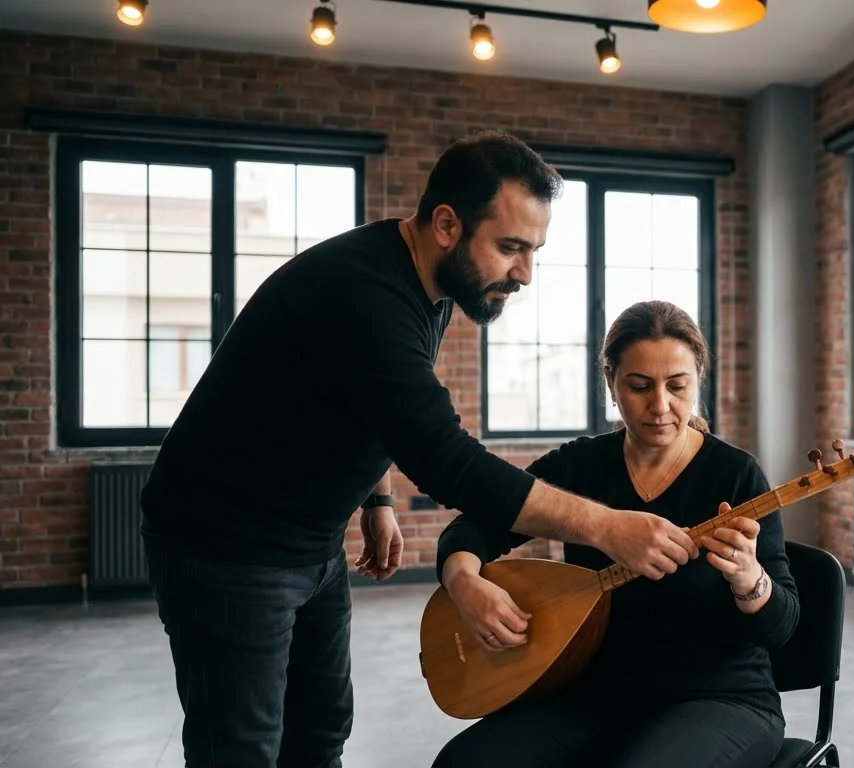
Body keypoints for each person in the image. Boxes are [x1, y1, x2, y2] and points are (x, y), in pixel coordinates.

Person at [137, 130, 701, 768]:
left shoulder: (428, 286)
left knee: (320, 734)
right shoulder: (364, 295)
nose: (524, 274)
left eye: (534, 250)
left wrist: (375, 496)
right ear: (445, 224)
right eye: (510, 248)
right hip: (228, 547)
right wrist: (607, 526)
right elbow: (445, 458)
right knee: (239, 750)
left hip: (311, 539)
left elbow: (368, 402)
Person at [431, 300, 799, 768]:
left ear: (697, 382)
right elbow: (477, 524)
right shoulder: (580, 465)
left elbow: (782, 625)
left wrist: (750, 580)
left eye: (677, 386)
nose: (661, 405)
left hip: (718, 699)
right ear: (611, 383)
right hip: (593, 695)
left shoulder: (735, 475)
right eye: (640, 386)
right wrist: (464, 582)